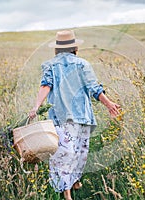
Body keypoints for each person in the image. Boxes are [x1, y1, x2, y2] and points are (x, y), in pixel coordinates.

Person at [29, 30, 120, 200]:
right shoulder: (83, 64)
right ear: (74, 48)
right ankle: (67, 193)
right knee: (79, 152)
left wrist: (36, 106)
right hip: (82, 116)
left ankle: (72, 183)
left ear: (57, 49)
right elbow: (95, 88)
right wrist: (109, 104)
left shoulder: (50, 65)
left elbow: (45, 86)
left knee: (64, 153)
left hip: (60, 116)